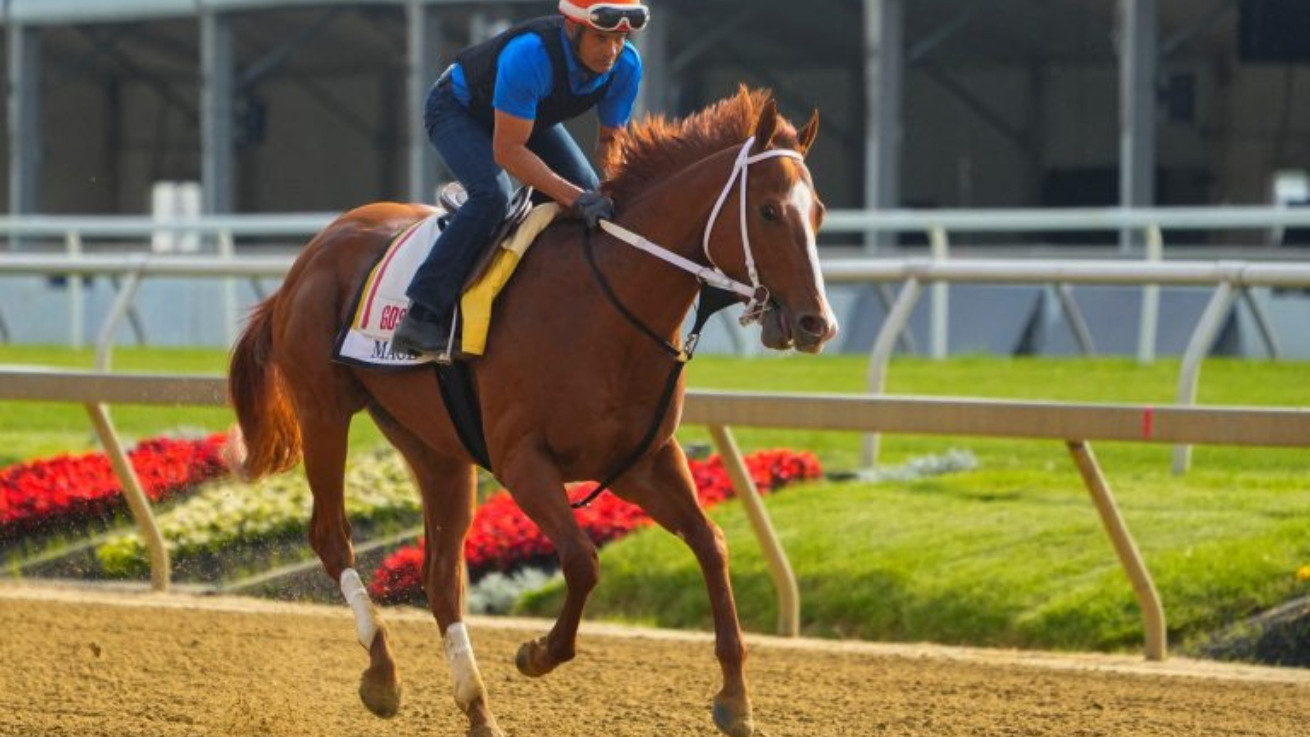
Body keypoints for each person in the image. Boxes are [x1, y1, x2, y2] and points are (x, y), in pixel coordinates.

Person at [392, 0, 649, 361]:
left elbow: (611, 143)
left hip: (528, 121)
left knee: (594, 197)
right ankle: (421, 313)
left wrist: (610, 194)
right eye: (601, 39)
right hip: (457, 110)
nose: (612, 52)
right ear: (572, 28)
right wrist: (575, 198)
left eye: (620, 39)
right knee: (493, 196)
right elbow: (508, 152)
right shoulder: (529, 55)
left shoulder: (626, 66)